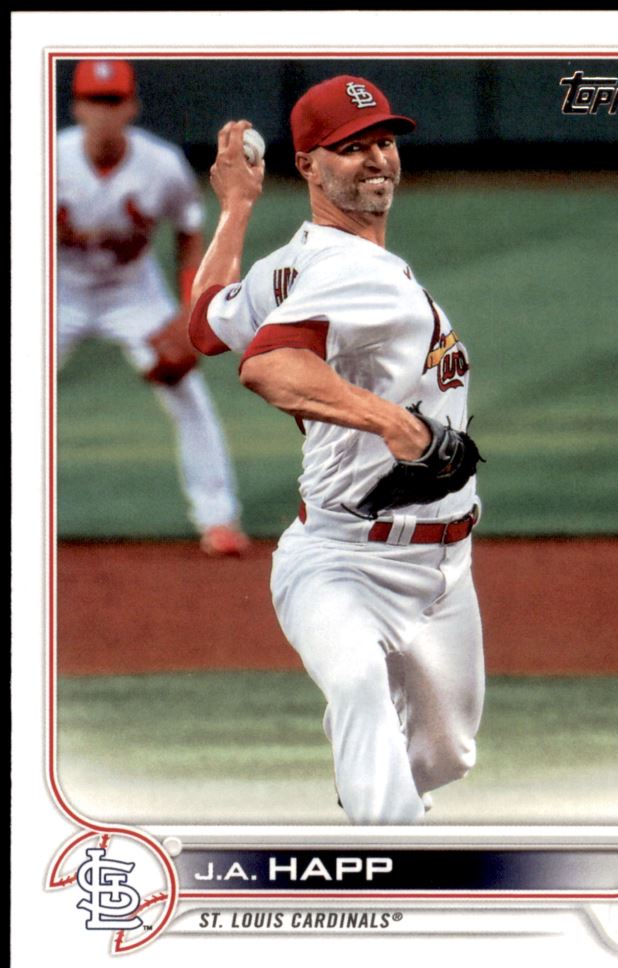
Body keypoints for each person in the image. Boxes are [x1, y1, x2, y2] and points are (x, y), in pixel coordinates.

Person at [189, 74, 486, 823]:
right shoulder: (352, 271)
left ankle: (375, 793)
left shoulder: (291, 266)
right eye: (351, 148)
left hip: (443, 568)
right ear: (308, 166)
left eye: (383, 141)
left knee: (445, 754)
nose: (377, 159)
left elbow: (204, 321)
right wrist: (396, 425)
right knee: (357, 687)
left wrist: (236, 208)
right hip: (340, 558)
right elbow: (267, 365)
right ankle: (386, 856)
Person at [56, 59, 250, 556]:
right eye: (95, 101)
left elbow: (190, 234)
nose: (104, 113)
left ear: (132, 107)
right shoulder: (48, 159)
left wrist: (189, 313)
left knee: (188, 395)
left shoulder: (161, 165)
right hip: (58, 291)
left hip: (132, 293)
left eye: (113, 101)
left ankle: (218, 519)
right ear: (77, 107)